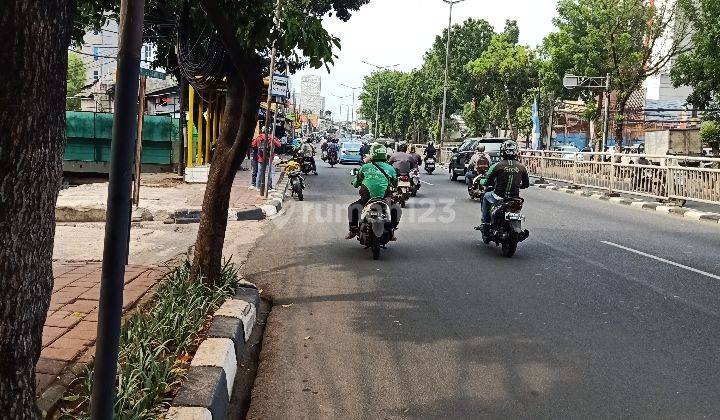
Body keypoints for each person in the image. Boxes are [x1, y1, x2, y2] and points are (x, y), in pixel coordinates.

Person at [346, 143, 399, 240]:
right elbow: (395, 183)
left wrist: (354, 183)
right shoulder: (390, 168)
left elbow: (356, 182)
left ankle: (353, 230)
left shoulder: (365, 167)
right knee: (396, 209)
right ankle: (392, 231)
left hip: (367, 199)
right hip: (384, 199)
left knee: (352, 208)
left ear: (372, 154)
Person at [478, 140, 530, 235]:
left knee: (486, 196)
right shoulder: (521, 167)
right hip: (515, 198)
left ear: (502, 152)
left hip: (498, 196)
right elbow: (526, 184)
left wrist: (480, 181)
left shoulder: (496, 166)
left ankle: (485, 223)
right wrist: (518, 185)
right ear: (516, 152)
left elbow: (487, 182)